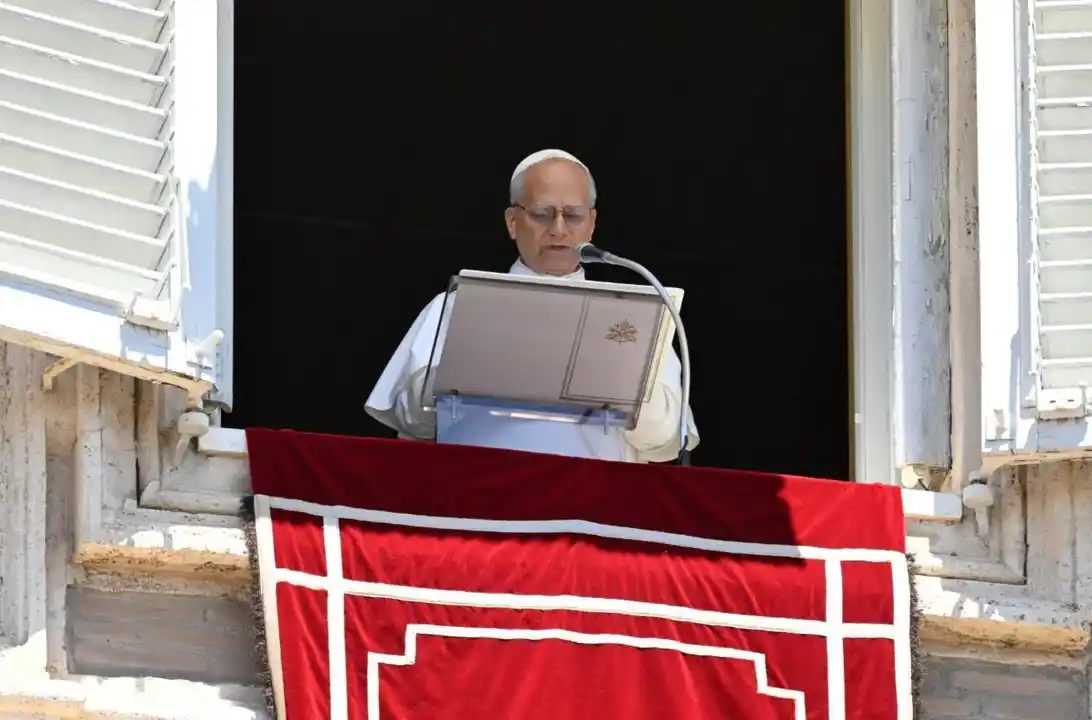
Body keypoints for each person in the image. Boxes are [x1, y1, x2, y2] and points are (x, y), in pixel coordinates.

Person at [365, 149, 699, 462]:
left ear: (592, 224)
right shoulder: (455, 305)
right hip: (480, 502)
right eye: (542, 214)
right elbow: (413, 423)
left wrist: (621, 378)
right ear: (512, 222)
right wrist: (468, 368)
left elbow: (664, 438)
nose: (558, 229)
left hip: (590, 510)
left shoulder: (634, 315)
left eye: (573, 215)